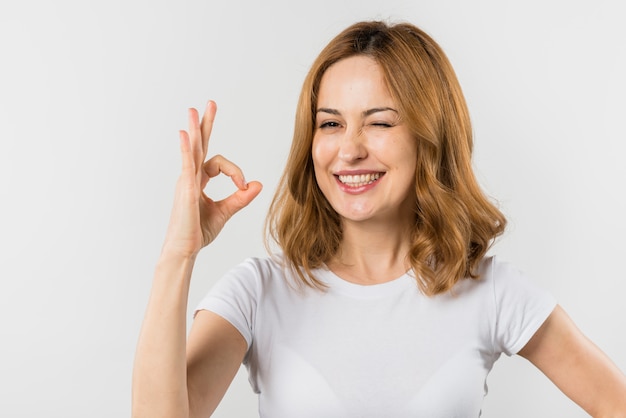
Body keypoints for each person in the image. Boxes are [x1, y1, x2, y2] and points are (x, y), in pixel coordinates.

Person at [132, 21, 626, 417]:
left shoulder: (490, 291)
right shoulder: (258, 292)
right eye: (330, 123)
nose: (349, 149)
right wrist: (179, 252)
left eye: (380, 122)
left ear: (429, 137)